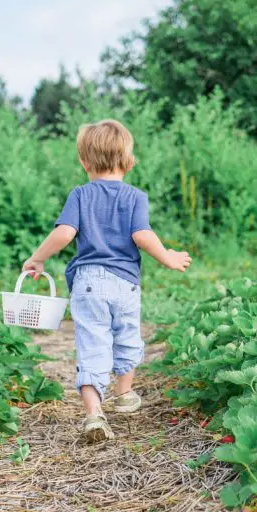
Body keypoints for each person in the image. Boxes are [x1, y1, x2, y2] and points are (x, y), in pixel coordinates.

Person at [23, 119, 191, 443]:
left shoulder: (80, 195)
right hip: (125, 282)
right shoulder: (135, 197)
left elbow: (65, 233)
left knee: (92, 344)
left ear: (84, 162)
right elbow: (142, 235)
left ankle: (93, 414)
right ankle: (124, 393)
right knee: (128, 336)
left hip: (88, 282)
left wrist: (38, 257)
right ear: (129, 161)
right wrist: (167, 256)